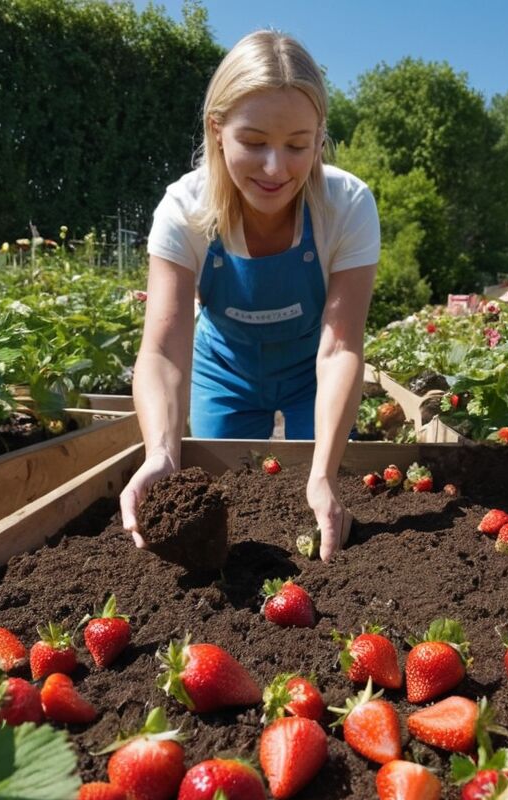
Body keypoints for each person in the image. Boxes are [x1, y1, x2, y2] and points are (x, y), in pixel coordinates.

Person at [119, 29, 380, 561]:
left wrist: (324, 474)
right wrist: (162, 452)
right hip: (224, 371)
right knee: (227, 504)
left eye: (298, 145)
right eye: (254, 142)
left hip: (312, 369)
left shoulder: (347, 206)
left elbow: (339, 348)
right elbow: (165, 349)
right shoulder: (184, 211)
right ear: (217, 130)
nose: (275, 168)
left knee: (321, 497)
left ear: (320, 135)